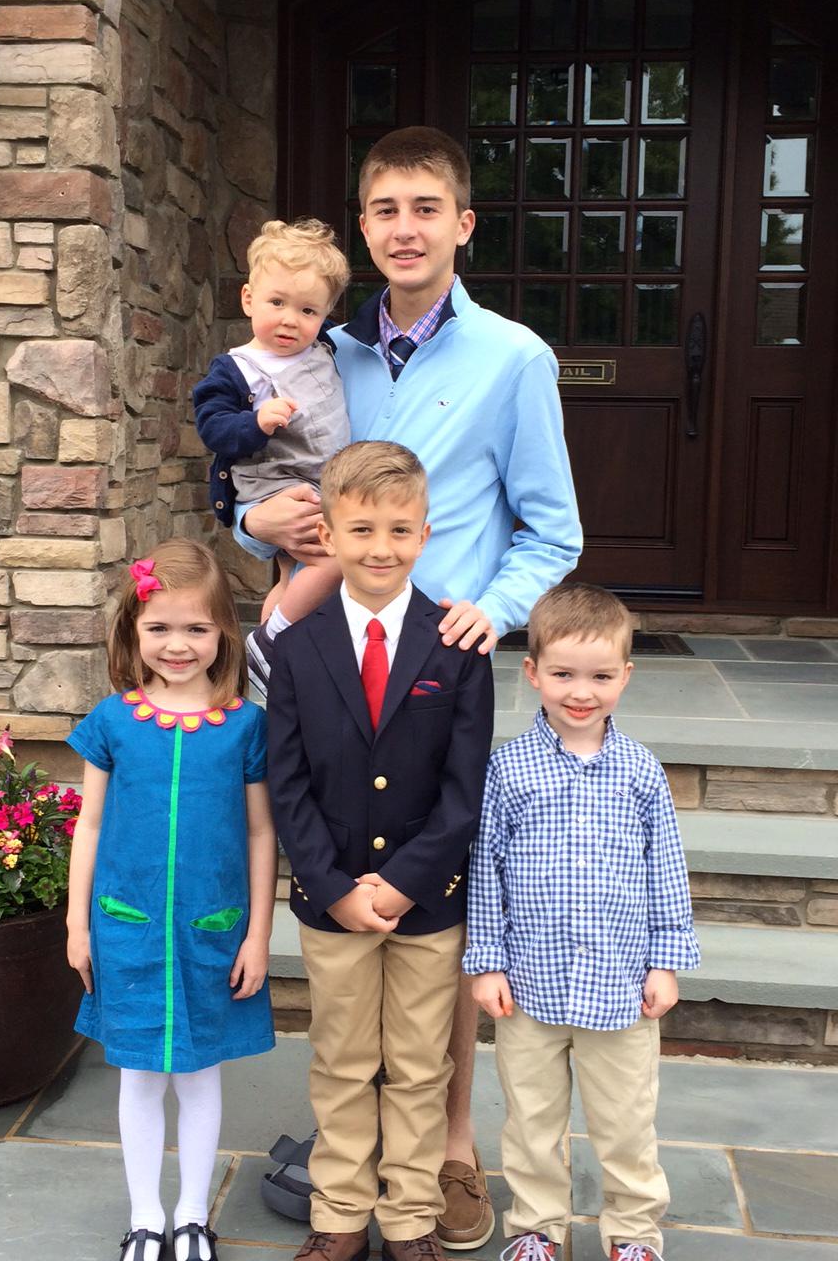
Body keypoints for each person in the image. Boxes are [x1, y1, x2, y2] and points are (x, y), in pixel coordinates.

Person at [243, 127, 582, 1248]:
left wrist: (499, 605)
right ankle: (353, 1169)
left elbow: (553, 527)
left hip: (441, 671)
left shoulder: (514, 359)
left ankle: (449, 1150)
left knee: (437, 920)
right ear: (363, 225)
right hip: (330, 659)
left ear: (463, 224)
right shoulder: (320, 350)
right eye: (385, 208)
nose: (405, 227)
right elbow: (267, 480)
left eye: (426, 207)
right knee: (344, 899)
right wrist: (249, 521)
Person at [268, 441, 495, 1261]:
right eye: (361, 529)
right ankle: (339, 1216)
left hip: (426, 902)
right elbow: (287, 782)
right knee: (341, 1060)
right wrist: (333, 887)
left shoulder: (458, 647)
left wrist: (402, 883)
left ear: (425, 535)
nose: (380, 547)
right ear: (328, 535)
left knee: (419, 1066)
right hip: (331, 901)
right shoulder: (297, 649)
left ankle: (409, 1220)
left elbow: (465, 789)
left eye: (400, 530)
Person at [465, 583, 701, 1261]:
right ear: (533, 672)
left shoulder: (641, 772)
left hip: (619, 986)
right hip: (530, 985)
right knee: (531, 1122)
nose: (581, 692)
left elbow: (666, 871)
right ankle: (537, 1228)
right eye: (564, 673)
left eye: (600, 676)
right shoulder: (508, 770)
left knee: (626, 1123)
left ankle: (633, 1232)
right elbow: (485, 872)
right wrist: (487, 962)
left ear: (625, 676)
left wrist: (665, 962)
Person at [66, 538, 278, 1261]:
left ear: (224, 634)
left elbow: (260, 832)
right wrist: (77, 923)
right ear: (134, 631)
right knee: (138, 1075)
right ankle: (145, 1216)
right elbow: (90, 825)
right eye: (159, 627)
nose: (177, 644)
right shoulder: (113, 721)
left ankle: (192, 1214)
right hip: (126, 928)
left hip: (212, 931)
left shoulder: (245, 726)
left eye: (196, 628)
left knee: (199, 1073)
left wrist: (257, 934)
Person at [192, 218, 351, 694]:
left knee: (290, 574)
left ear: (325, 315)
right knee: (335, 558)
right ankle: (269, 642)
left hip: (318, 479)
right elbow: (212, 427)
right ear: (248, 299)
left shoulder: (321, 347)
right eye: (276, 303)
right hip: (275, 483)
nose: (290, 320)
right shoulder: (239, 368)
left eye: (308, 310)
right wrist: (256, 422)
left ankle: (272, 657)